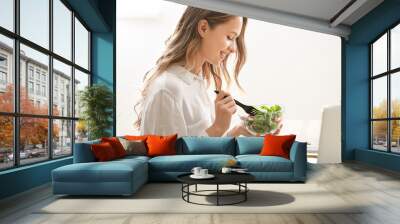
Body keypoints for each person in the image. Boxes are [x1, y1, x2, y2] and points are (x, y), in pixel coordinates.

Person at [134, 6, 279, 137]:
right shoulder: (167, 90)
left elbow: (204, 151)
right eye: (230, 37)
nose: (234, 49)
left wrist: (237, 131)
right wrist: (218, 128)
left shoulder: (198, 82)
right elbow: (167, 163)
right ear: (203, 28)